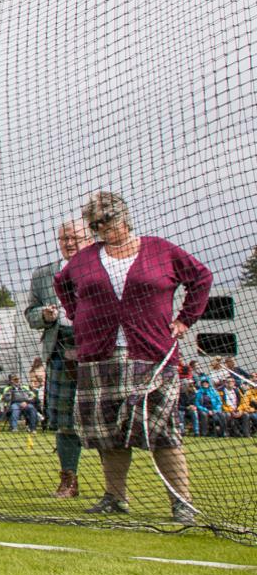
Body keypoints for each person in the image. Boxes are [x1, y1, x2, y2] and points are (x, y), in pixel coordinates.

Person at [54, 191, 211, 524]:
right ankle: (115, 497)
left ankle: (182, 502)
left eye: (106, 221)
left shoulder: (160, 250)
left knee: (163, 430)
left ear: (123, 217)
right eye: (95, 224)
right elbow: (63, 285)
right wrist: (81, 318)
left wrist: (185, 318)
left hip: (152, 352)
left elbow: (201, 277)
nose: (101, 229)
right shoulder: (83, 260)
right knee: (107, 431)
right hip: (100, 355)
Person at [25, 219, 91, 498]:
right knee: (65, 421)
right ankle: (69, 480)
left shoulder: (103, 267)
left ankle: (115, 487)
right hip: (61, 350)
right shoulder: (44, 275)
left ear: (90, 238)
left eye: (75, 237)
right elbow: (30, 314)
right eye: (64, 238)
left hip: (97, 348)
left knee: (104, 418)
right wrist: (45, 316)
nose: (69, 243)